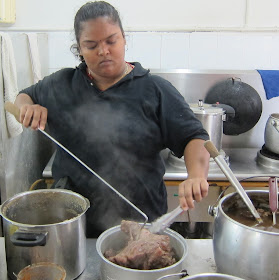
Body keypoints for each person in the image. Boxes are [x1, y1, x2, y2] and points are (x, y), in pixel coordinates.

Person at [14, 1, 210, 237]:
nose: (103, 51)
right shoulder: (61, 84)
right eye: (91, 45)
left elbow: (194, 137)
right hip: (71, 226)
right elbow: (24, 96)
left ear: (124, 39)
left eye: (111, 41)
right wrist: (27, 107)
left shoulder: (155, 90)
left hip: (140, 225)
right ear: (79, 49)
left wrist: (196, 176)